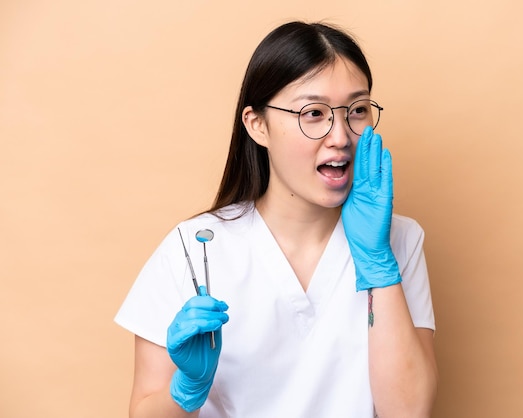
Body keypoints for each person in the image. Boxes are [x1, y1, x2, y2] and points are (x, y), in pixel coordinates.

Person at [115, 21, 437, 418]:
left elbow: (409, 412)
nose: (340, 136)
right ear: (258, 125)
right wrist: (187, 390)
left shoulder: (399, 239)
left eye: (356, 110)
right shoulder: (194, 248)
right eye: (314, 113)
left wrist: (377, 263)